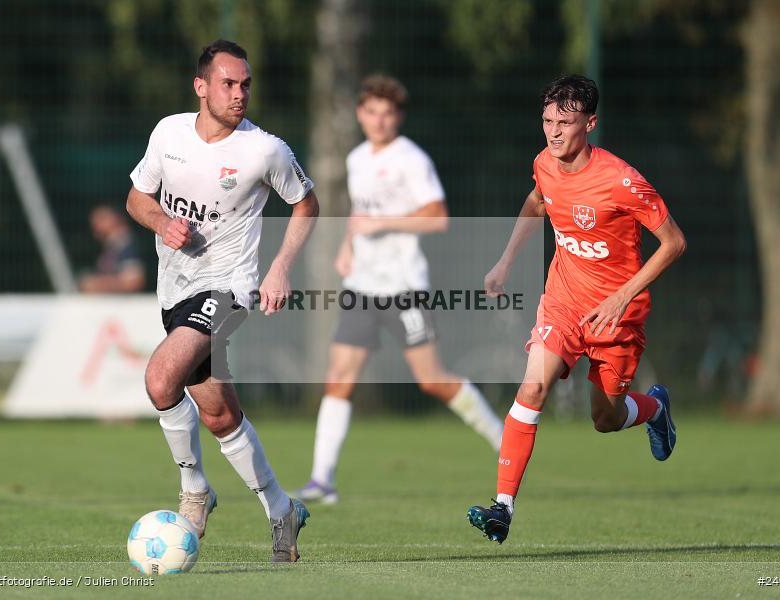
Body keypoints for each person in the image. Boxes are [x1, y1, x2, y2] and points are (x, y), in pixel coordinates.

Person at [466, 75, 686, 543]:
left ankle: (654, 409)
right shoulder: (544, 164)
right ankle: (502, 508)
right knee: (532, 387)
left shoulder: (622, 181)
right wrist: (506, 261)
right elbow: (537, 202)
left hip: (617, 315)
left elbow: (674, 243)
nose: (553, 132)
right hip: (563, 303)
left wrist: (622, 295)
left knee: (605, 418)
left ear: (590, 123)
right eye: (547, 121)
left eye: (564, 123)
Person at [125, 39, 319, 562]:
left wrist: (279, 267)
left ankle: (194, 490)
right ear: (201, 87)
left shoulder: (265, 150)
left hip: (229, 288)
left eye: (245, 85)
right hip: (175, 290)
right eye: (228, 84)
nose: (239, 94)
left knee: (160, 379)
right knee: (218, 416)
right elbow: (137, 198)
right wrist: (161, 222)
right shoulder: (168, 133)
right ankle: (282, 510)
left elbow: (307, 205)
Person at [295, 75, 503, 505]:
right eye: (371, 111)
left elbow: (438, 217)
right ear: (360, 114)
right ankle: (322, 479)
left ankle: (506, 444)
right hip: (361, 286)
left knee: (432, 380)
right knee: (338, 378)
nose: (379, 120)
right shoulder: (356, 158)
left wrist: (385, 223)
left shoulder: (411, 159)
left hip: (404, 287)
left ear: (398, 117)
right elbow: (360, 212)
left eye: (387, 113)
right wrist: (348, 247)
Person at [79, 205, 146, 293]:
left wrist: (96, 284)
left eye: (102, 218)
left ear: (118, 218)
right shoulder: (111, 246)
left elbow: (134, 282)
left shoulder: (127, 244)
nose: (96, 223)